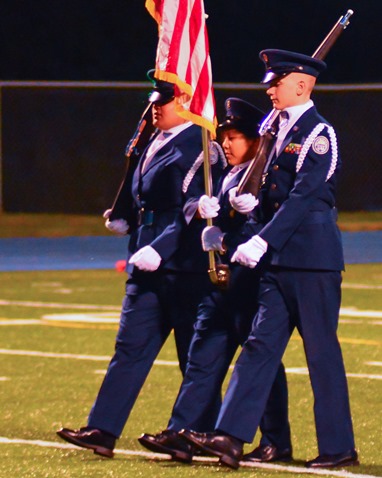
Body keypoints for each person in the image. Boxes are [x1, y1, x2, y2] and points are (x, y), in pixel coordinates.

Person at [179, 49, 359, 470]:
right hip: (276, 260)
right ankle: (229, 436)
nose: (270, 90)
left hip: (311, 260)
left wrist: (262, 239)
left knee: (321, 354)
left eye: (276, 84)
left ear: (301, 84)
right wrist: (239, 211)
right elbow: (266, 189)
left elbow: (303, 197)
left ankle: (339, 447)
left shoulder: (319, 133)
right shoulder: (273, 129)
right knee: (259, 346)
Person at [56, 70, 225, 458]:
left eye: (162, 102)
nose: (154, 110)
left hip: (182, 263)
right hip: (144, 257)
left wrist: (160, 248)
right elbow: (142, 187)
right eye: (152, 102)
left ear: (184, 101)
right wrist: (126, 214)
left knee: (191, 354)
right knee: (129, 347)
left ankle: (193, 433)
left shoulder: (201, 146)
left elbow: (194, 211)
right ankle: (102, 429)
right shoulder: (153, 139)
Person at [138, 97, 292, 464]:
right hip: (219, 283)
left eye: (235, 137)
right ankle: (182, 432)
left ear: (255, 140)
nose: (226, 144)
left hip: (251, 282)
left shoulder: (266, 179)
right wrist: (207, 213)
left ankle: (276, 441)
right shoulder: (226, 175)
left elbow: (267, 229)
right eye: (224, 136)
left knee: (260, 364)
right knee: (202, 358)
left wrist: (224, 237)